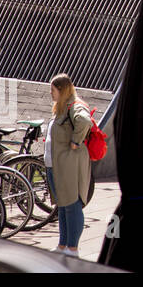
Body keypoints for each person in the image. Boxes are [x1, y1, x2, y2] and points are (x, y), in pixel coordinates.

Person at [47, 73, 92, 256]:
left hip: (69, 164)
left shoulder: (74, 105)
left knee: (72, 206)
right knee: (63, 206)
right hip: (58, 164)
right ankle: (63, 246)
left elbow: (84, 121)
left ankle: (72, 248)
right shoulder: (63, 106)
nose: (51, 93)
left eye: (53, 90)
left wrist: (75, 141)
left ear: (62, 89)